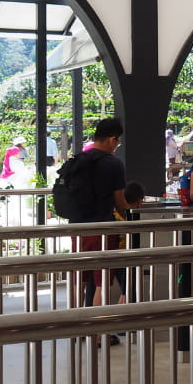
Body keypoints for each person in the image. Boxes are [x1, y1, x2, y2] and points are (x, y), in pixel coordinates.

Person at [76, 118, 133, 311]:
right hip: (102, 229)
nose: (117, 146)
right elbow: (119, 202)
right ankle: (98, 336)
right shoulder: (113, 163)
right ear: (112, 139)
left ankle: (77, 327)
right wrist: (129, 216)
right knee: (102, 284)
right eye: (118, 142)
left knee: (80, 281)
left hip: (77, 229)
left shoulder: (79, 159)